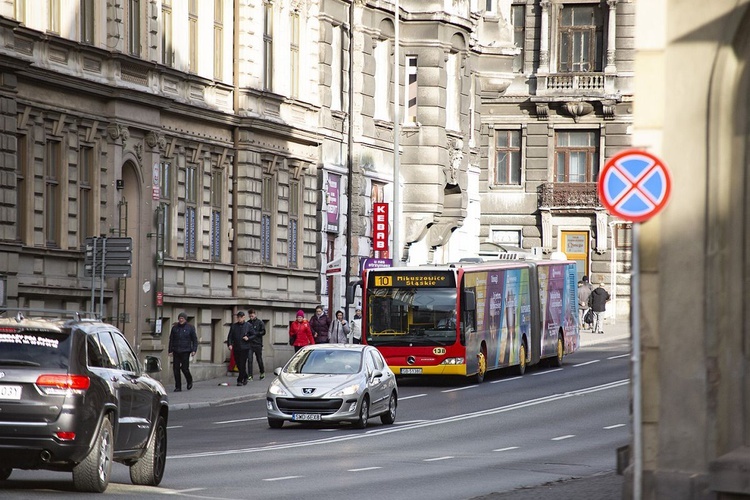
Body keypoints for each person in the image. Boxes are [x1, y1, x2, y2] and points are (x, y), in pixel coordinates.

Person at [168, 312, 197, 392]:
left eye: (182, 318)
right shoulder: (175, 328)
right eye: (180, 318)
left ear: (185, 319)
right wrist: (170, 350)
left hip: (186, 350)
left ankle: (189, 380)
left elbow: (194, 340)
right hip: (176, 350)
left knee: (184, 368)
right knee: (176, 369)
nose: (181, 320)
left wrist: (194, 350)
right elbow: (171, 340)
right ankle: (178, 386)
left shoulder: (190, 328)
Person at [227, 311, 251, 386]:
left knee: (242, 363)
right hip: (236, 347)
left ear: (244, 317)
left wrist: (248, 338)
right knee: (238, 364)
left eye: (241, 318)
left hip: (245, 348)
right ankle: (245, 376)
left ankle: (239, 380)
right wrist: (230, 344)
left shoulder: (248, 325)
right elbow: (230, 336)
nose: (239, 319)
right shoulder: (234, 326)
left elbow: (254, 334)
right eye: (238, 318)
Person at [245, 309, 266, 380]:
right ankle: (250, 375)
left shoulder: (260, 322)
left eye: (252, 316)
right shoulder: (248, 323)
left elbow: (263, 332)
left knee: (259, 359)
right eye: (250, 316)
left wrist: (256, 334)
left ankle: (262, 372)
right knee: (249, 360)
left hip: (257, 344)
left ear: (255, 314)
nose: (251, 317)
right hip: (250, 344)